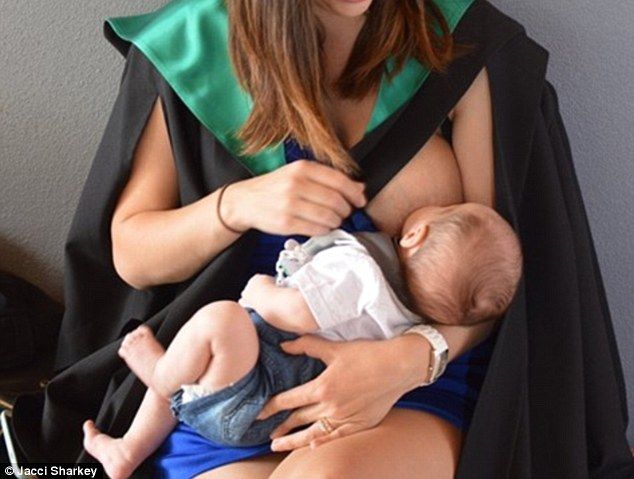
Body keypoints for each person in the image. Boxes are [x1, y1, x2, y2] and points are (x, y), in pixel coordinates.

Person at [10, 0, 632, 479]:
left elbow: (498, 278)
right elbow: (132, 253)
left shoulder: (463, 49)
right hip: (232, 374)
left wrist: (410, 357)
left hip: (409, 383)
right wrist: (239, 205)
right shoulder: (193, 45)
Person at [82, 201, 522, 478]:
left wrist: (258, 291)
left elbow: (291, 312)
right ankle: (132, 441)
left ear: (415, 233)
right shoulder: (408, 319)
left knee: (222, 320)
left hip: (255, 387)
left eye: (443, 208)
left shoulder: (363, 274)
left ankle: (158, 382)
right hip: (286, 414)